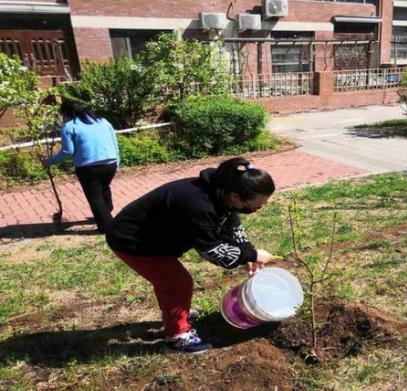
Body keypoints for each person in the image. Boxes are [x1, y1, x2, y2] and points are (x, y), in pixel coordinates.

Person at [105, 157, 275, 353]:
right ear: (236, 197)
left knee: (170, 282)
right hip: (133, 241)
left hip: (155, 238)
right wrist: (250, 255)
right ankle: (177, 337)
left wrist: (248, 251)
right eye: (258, 205)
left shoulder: (221, 192)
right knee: (176, 283)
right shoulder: (198, 204)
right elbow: (212, 251)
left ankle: (177, 311)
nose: (260, 208)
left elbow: (231, 223)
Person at [46, 100, 119, 233]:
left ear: (66, 113)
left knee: (95, 197)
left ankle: (107, 227)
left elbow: (68, 151)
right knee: (104, 188)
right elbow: (114, 142)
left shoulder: (68, 127)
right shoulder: (103, 121)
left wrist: (50, 161)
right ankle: (107, 213)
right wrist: (117, 161)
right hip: (110, 163)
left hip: (88, 167)